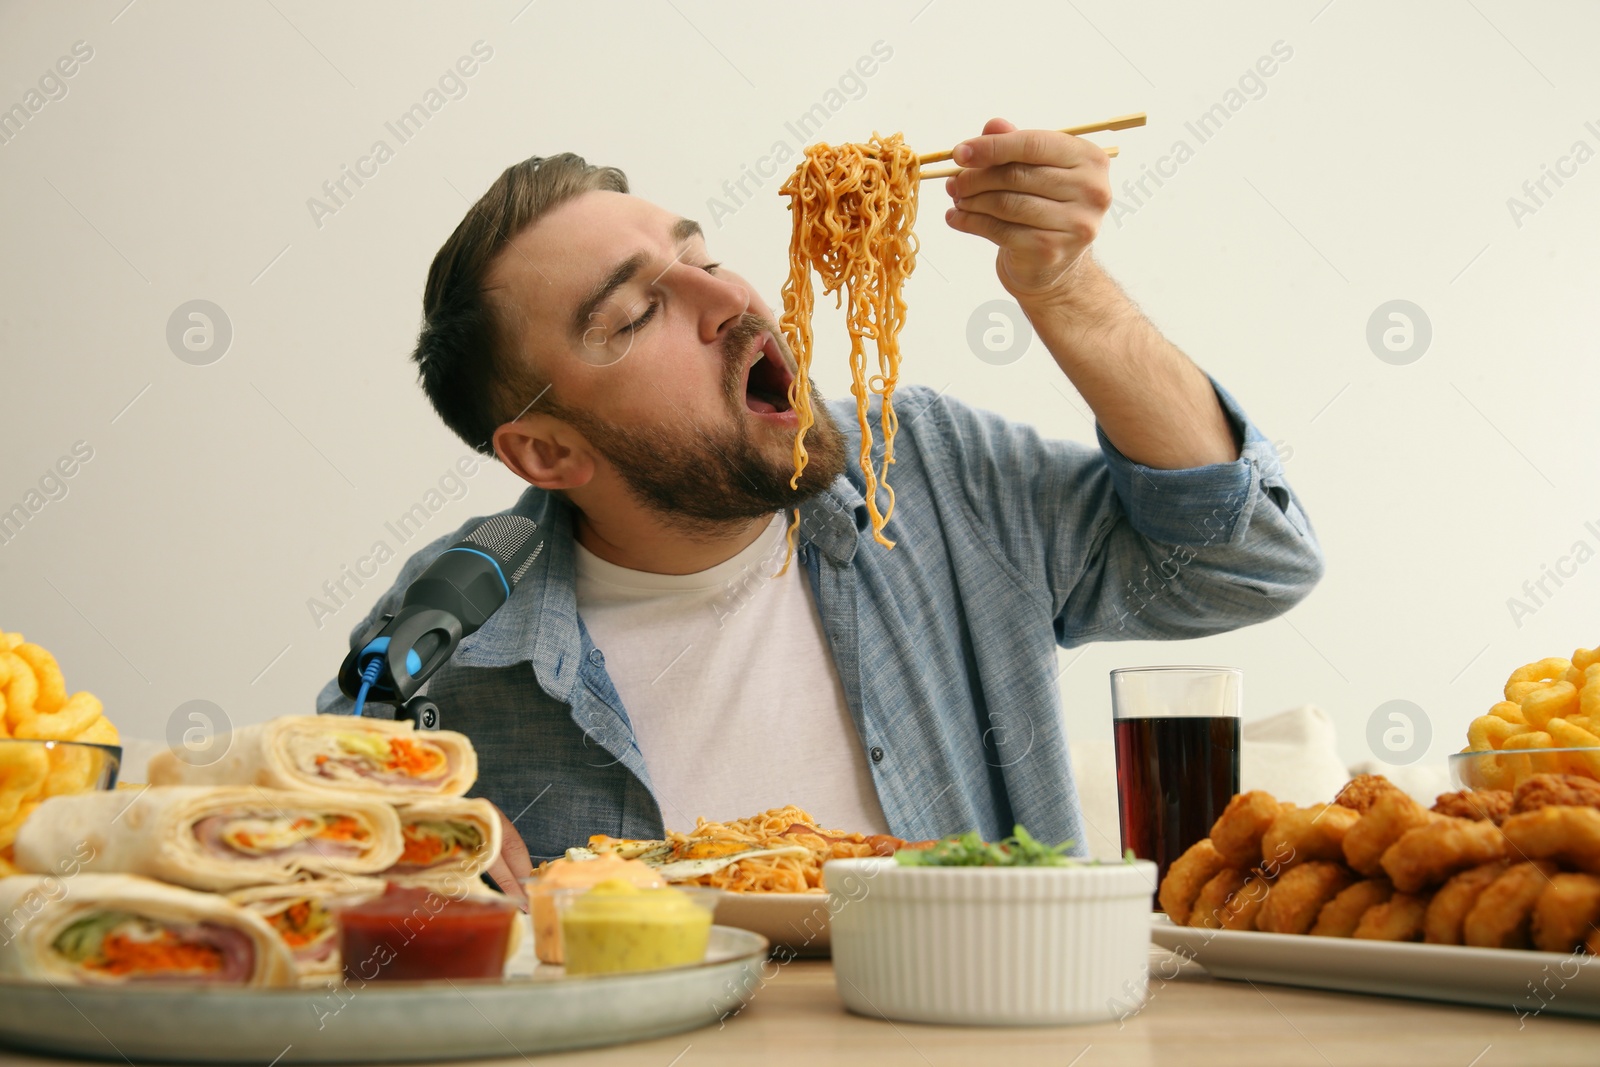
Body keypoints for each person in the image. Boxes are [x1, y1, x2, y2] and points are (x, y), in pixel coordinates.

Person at [317, 119, 1324, 896]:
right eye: (633, 314)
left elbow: (1253, 558)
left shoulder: (925, 472)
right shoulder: (457, 615)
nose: (731, 301)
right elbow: (316, 821)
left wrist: (1065, 284)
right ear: (545, 450)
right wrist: (398, 843)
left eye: (702, 256)